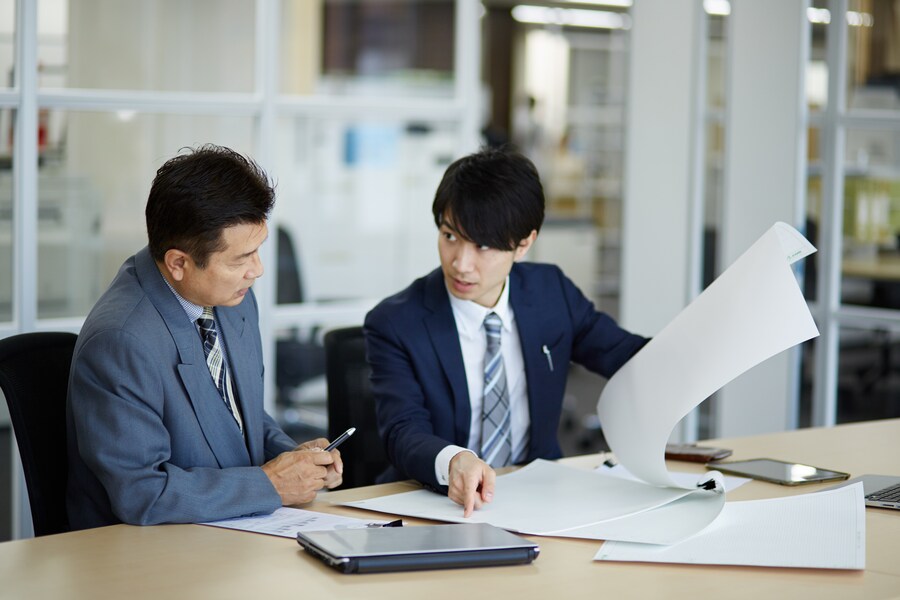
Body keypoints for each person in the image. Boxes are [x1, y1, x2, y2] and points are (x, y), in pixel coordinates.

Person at [66, 144, 343, 530]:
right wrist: (272, 483)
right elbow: (143, 494)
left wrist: (295, 459)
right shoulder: (121, 341)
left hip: (233, 529)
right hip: (147, 548)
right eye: (240, 259)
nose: (257, 270)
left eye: (257, 251)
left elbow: (238, 415)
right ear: (179, 262)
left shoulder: (231, 296)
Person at [364, 147, 648, 517]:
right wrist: (455, 461)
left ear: (524, 243)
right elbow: (403, 430)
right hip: (436, 504)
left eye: (482, 245)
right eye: (449, 236)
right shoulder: (396, 321)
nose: (460, 263)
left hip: (540, 497)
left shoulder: (551, 292)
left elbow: (626, 356)